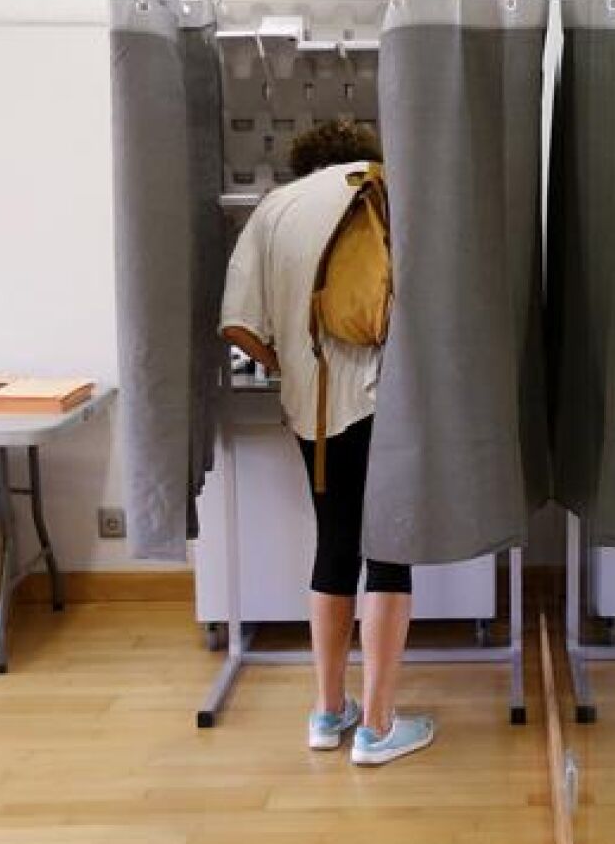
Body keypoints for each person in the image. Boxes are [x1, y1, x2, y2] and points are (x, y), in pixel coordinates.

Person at [219, 119, 434, 767]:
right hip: (394, 402)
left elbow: (236, 324)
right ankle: (378, 724)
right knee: (390, 552)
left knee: (334, 545)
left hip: (315, 410)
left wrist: (289, 365)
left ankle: (326, 709)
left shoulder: (276, 208)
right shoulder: (396, 196)